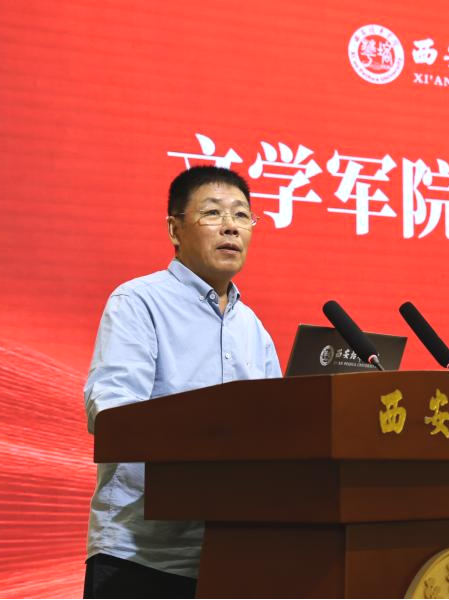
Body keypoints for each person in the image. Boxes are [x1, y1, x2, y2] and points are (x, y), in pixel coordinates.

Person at [82, 166, 282, 599]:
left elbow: (278, 431)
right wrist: (207, 433)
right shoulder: (139, 302)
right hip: (141, 554)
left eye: (242, 215)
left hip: (231, 554)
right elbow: (111, 413)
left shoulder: (253, 328)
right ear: (175, 229)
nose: (230, 226)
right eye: (212, 213)